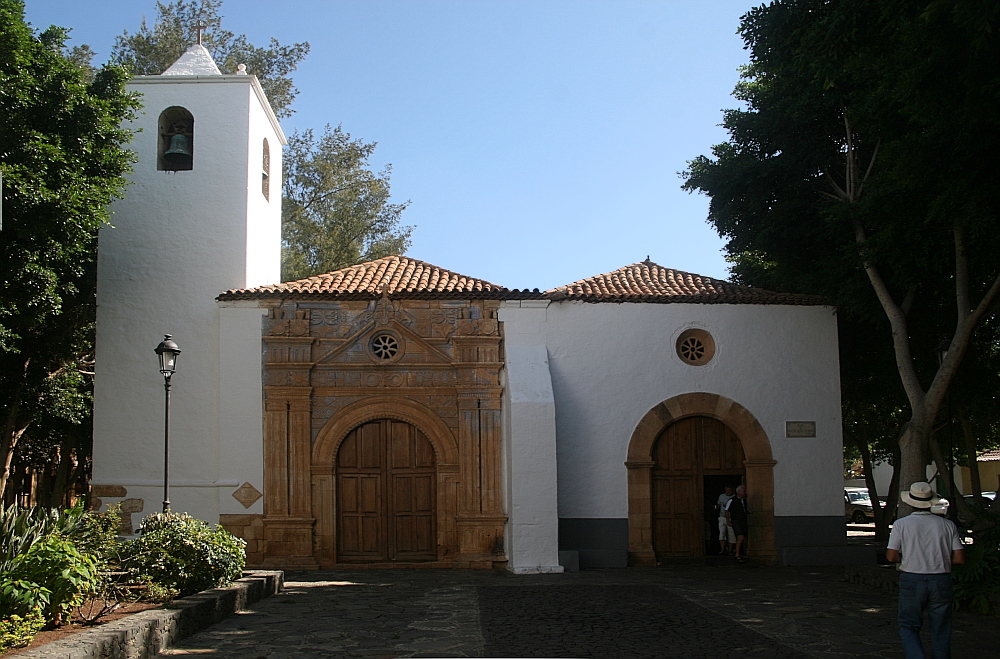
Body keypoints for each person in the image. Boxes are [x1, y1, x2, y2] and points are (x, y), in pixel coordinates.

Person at [886, 482, 965, 659]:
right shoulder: (947, 525)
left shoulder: (901, 524)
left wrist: (907, 558)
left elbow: (891, 556)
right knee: (941, 628)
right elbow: (959, 558)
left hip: (912, 578)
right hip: (941, 579)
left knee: (909, 625)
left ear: (910, 502)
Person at [725, 484, 748, 563]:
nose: (745, 492)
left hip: (743, 521)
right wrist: (728, 520)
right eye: (743, 491)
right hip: (736, 521)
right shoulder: (732, 500)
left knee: (742, 537)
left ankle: (738, 552)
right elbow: (726, 510)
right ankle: (737, 554)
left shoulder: (743, 501)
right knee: (740, 537)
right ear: (738, 492)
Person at [716, 485, 735, 555]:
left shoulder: (734, 497)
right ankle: (722, 549)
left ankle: (730, 550)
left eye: (729, 490)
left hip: (731, 518)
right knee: (722, 533)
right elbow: (718, 505)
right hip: (722, 517)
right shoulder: (721, 496)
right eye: (726, 490)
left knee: (731, 534)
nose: (728, 492)